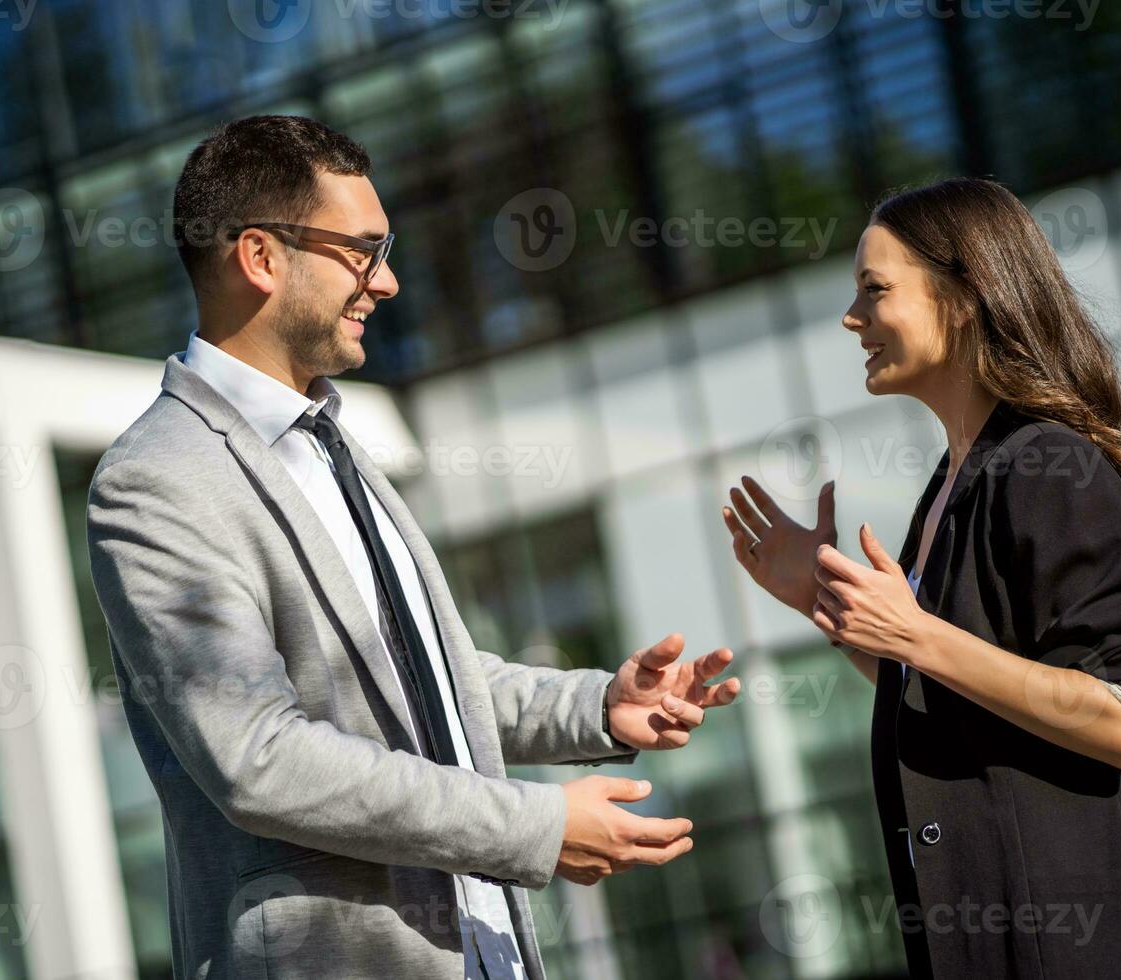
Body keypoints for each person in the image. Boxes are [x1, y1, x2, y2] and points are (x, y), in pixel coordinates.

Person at [86, 114, 741, 980]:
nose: (387, 282)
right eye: (363, 250)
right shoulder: (158, 480)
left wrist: (596, 708)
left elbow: (423, 684)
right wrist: (533, 826)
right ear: (261, 257)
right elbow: (259, 758)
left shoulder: (332, 444)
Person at [722, 177, 1121, 978]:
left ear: (965, 296)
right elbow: (948, 688)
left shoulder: (1052, 466)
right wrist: (825, 602)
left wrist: (915, 631)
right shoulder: (954, 486)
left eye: (875, 292)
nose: (852, 320)